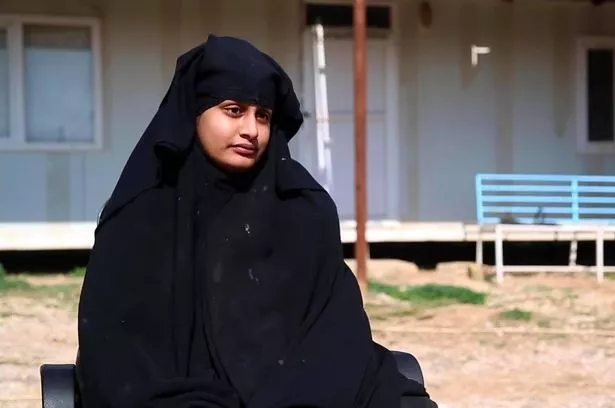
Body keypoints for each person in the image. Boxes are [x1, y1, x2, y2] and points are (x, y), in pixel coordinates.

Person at [77, 34, 435, 408]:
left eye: (262, 115)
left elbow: (335, 332)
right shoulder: (141, 216)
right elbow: (117, 357)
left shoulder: (303, 211)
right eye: (234, 110)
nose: (251, 130)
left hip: (302, 396)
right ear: (195, 113)